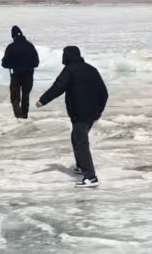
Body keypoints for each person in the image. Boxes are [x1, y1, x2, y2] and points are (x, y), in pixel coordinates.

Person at [37, 45, 108, 186]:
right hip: (91, 114)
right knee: (76, 138)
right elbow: (104, 93)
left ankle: (90, 177)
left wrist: (43, 100)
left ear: (67, 56)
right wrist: (98, 111)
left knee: (81, 142)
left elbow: (58, 87)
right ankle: (81, 166)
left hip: (79, 114)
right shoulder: (91, 69)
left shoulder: (70, 70)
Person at [1, 25, 40, 119]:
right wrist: (28, 66)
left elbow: (4, 63)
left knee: (15, 98)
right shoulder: (30, 46)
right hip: (28, 75)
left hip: (16, 75)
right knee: (26, 96)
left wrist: (13, 65)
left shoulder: (11, 47)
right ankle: (25, 116)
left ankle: (19, 116)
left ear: (12, 35)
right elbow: (36, 62)